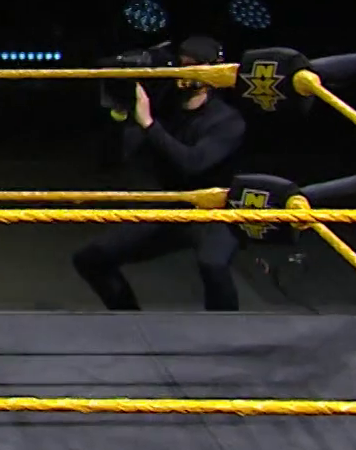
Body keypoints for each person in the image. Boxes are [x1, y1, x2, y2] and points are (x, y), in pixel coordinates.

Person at [72, 36, 247, 311]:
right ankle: (131, 321)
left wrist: (149, 124)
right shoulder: (164, 105)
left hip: (215, 212)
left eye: (194, 67)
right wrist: (119, 114)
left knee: (213, 264)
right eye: (182, 65)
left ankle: (228, 330)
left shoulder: (226, 120)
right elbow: (113, 159)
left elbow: (193, 163)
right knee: (90, 259)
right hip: (172, 208)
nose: (185, 74)